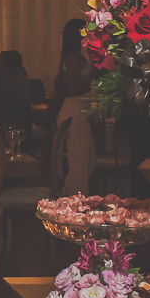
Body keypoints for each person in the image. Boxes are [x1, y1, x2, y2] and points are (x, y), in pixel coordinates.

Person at [54, 18, 96, 195]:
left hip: (75, 109)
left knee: (85, 160)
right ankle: (75, 199)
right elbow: (71, 86)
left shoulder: (73, 56)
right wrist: (93, 75)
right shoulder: (75, 58)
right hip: (76, 110)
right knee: (80, 162)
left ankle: (74, 197)